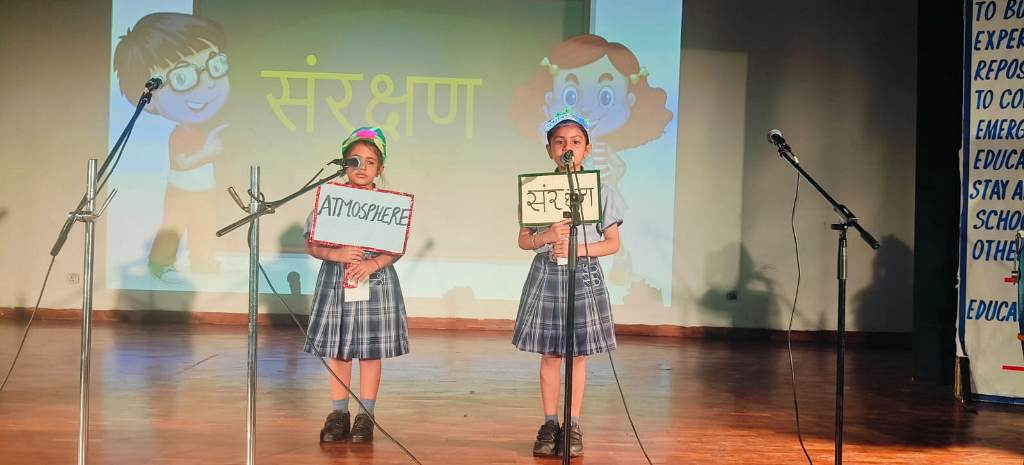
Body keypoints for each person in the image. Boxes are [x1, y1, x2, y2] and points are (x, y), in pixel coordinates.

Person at [512, 108, 625, 457]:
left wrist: (580, 248)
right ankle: (549, 423)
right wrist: (546, 236)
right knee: (550, 354)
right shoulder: (538, 190)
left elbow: (612, 243)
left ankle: (572, 424)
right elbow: (524, 240)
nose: (568, 148)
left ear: (587, 149)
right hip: (548, 275)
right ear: (550, 150)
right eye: (560, 142)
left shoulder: (601, 191)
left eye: (576, 141)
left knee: (577, 356)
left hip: (583, 274)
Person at [304, 127, 409, 443]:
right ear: (344, 164)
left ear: (380, 168)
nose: (362, 168)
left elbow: (397, 247)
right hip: (337, 278)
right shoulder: (330, 200)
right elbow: (312, 244)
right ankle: (338, 414)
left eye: (370, 162)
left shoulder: (387, 204)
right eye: (355, 160)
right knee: (339, 349)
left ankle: (366, 414)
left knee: (369, 350)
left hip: (374, 280)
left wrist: (373, 264)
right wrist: (335, 254)